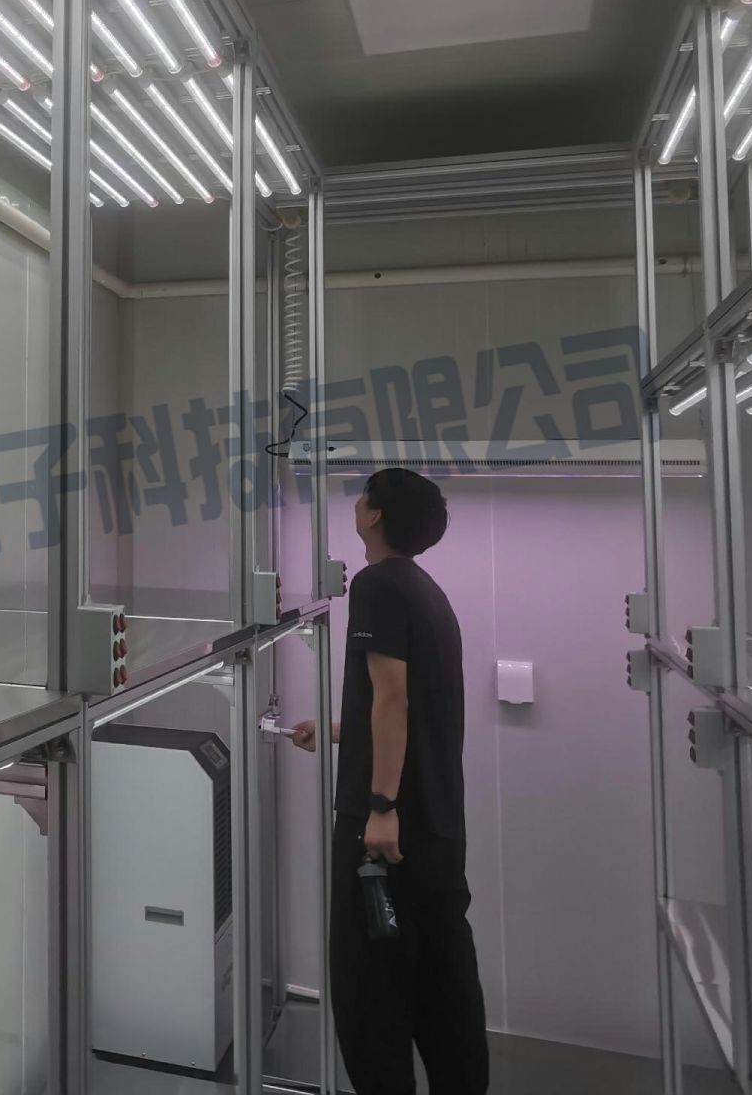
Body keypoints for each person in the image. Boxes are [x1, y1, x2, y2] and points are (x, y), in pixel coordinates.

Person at [290, 468, 489, 1094]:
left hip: (388, 829)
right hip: (438, 825)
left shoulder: (376, 584)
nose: (356, 503)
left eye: (363, 496)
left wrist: (379, 806)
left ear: (374, 515)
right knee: (442, 984)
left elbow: (393, 697)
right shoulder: (425, 590)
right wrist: (339, 731)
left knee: (369, 991)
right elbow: (412, 707)